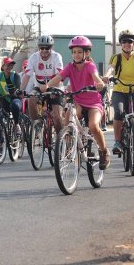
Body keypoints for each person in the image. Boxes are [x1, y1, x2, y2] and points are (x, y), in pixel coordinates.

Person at [40, 36, 110, 170]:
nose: (76, 55)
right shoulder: (70, 67)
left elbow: (95, 76)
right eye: (74, 52)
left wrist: (99, 83)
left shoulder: (90, 65)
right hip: (78, 101)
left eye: (79, 52)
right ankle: (70, 146)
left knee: (94, 125)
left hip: (93, 103)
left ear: (86, 53)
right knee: (68, 121)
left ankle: (104, 151)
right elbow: (59, 77)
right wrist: (47, 85)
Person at [20, 35, 64, 132]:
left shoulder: (56, 57)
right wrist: (21, 89)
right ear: (39, 48)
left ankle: (59, 141)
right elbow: (26, 76)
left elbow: (59, 77)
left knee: (57, 117)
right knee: (31, 99)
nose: (44, 50)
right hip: (39, 86)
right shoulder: (34, 57)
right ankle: (37, 125)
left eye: (47, 48)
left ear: (51, 48)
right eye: (41, 48)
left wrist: (50, 87)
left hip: (55, 86)